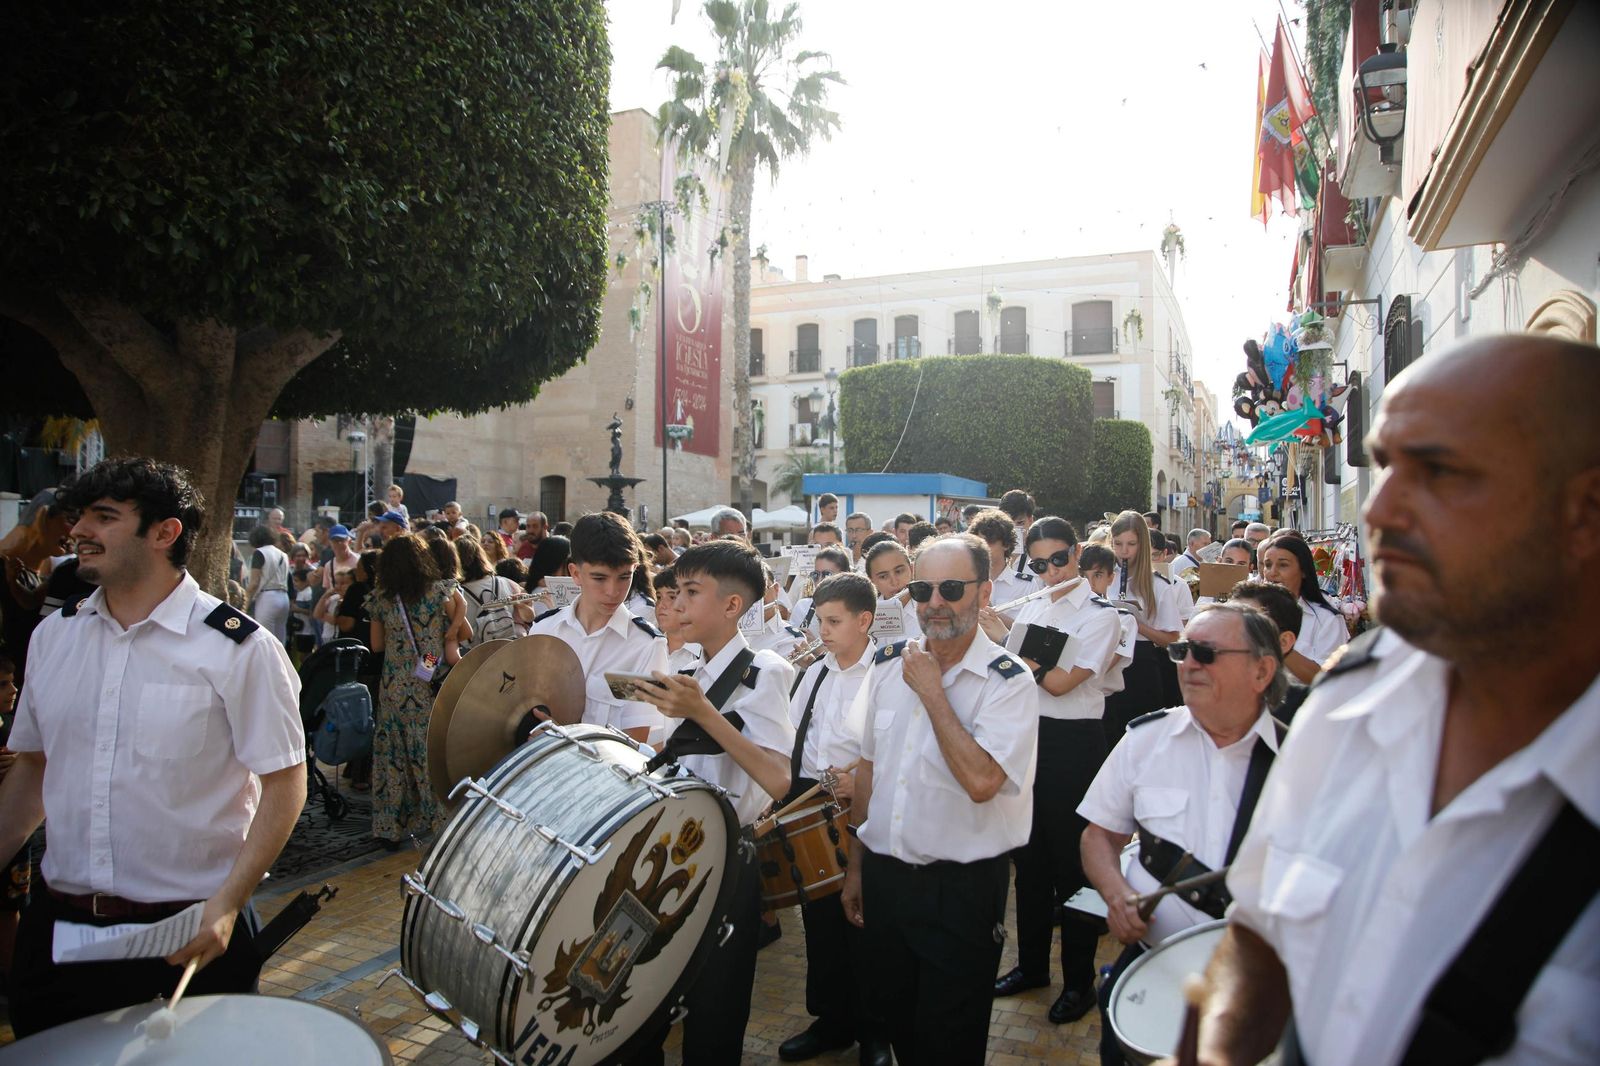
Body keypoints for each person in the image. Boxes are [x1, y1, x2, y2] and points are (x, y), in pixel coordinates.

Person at [1199, 335, 1600, 1066]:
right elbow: (1257, 934)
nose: (1381, 509)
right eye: (1383, 464)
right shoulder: (1352, 697)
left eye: (1441, 471)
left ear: (1586, 510)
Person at [0, 457, 306, 1036]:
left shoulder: (239, 649)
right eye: (80, 517)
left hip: (189, 936)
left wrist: (229, 903)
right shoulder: (52, 637)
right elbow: (35, 769)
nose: (79, 531)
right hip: (58, 935)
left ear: (166, 532)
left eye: (105, 517)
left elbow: (285, 783)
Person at [839, 535, 1039, 1065]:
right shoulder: (887, 665)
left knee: (950, 1040)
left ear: (984, 591)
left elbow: (981, 782)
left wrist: (932, 691)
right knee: (895, 1021)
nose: (934, 602)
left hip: (960, 891)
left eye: (951, 588)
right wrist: (857, 867)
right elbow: (869, 770)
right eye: (923, 588)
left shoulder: (1008, 681)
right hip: (885, 877)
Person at [1079, 602, 1287, 1066]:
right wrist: (1117, 895)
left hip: (1255, 989)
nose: (1190, 663)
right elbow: (1099, 836)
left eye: (1207, 653)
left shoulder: (1299, 763)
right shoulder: (1146, 740)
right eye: (1183, 651)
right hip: (1152, 968)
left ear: (1262, 670)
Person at [628, 539, 796, 1066]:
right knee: (645, 992)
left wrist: (703, 713)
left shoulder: (765, 670)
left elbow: (777, 778)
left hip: (726, 857)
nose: (676, 603)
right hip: (668, 850)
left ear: (731, 606)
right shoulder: (689, 666)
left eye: (691, 592)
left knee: (716, 1006)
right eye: (675, 591)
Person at [981, 517, 1129, 1026]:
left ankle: (1080, 981)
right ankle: (1031, 967)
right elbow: (1019, 670)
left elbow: (1064, 684)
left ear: (1079, 553)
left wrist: (1013, 651)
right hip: (1029, 738)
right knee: (1031, 861)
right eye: (1039, 564)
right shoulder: (1036, 603)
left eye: (1059, 560)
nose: (1049, 573)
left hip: (1073, 745)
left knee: (1073, 867)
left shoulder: (1102, 614)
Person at [776, 573, 890, 1066]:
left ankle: (875, 1032)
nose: (822, 631)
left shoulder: (886, 673)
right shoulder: (816, 672)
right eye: (819, 620)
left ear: (864, 621)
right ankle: (831, 1021)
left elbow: (900, 748)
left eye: (833, 621)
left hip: (862, 810)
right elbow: (795, 738)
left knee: (864, 922)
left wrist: (860, 783)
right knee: (820, 922)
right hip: (812, 805)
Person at [529, 513, 666, 743]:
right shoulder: (544, 631)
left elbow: (635, 743)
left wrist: (564, 737)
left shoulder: (646, 646)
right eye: (599, 578)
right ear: (575, 573)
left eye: (624, 577)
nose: (613, 591)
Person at [367, 534, 460, 847]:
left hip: (393, 684)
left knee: (391, 753)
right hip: (426, 676)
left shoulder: (380, 598)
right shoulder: (438, 592)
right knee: (426, 752)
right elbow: (457, 630)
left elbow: (376, 645)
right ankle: (439, 822)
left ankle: (389, 826)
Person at [1101, 511, 1183, 744]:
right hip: (1108, 654)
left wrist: (1136, 624)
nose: (1123, 551)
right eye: (1118, 544)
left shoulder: (1158, 584)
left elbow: (1172, 638)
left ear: (1142, 545)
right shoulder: (1105, 577)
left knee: (1139, 735)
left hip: (1141, 662)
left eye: (1131, 544)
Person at [1259, 531, 1347, 681]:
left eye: (1283, 565)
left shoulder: (1327, 619)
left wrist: (1279, 643)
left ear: (1304, 571)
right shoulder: (1251, 611)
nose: (1272, 573)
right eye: (1268, 565)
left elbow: (1326, 678)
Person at [1226, 580, 1311, 722]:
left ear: (1283, 642)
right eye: (1225, 622)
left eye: (1248, 626)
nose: (1227, 635)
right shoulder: (1203, 696)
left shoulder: (1306, 712)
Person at [968, 507, 1037, 623]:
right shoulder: (965, 583)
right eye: (979, 542)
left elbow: (1030, 631)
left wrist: (989, 612)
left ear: (1006, 545)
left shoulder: (1026, 585)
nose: (984, 547)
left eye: (990, 541)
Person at [457, 535, 531, 643]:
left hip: (474, 656)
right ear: (481, 556)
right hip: (510, 652)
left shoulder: (453, 595)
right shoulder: (509, 583)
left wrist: (429, 660)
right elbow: (529, 618)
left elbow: (441, 647)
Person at [245, 523, 292, 643]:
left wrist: (245, 602)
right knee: (280, 639)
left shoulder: (259, 553)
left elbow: (254, 582)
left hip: (267, 597)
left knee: (265, 639)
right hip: (284, 597)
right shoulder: (283, 555)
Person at [865, 540, 921, 639]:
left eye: (899, 571)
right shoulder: (867, 619)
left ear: (912, 569)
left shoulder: (928, 609)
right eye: (883, 576)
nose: (894, 582)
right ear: (872, 581)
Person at [790, 545, 852, 635]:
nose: (819, 581)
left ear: (845, 575)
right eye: (815, 575)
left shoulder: (854, 608)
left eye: (827, 574)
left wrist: (815, 647)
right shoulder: (802, 607)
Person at [651, 567, 700, 672]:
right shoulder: (648, 646)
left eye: (672, 597)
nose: (661, 605)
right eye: (659, 597)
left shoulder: (706, 653)